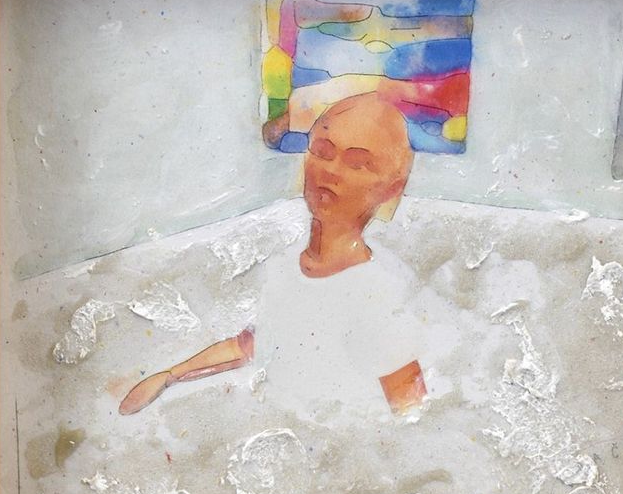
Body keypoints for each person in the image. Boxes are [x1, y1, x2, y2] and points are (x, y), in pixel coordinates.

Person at [119, 93, 428, 416]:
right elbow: (254, 344)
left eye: (357, 163)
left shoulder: (377, 296)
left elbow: (411, 413)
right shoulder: (284, 265)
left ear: (391, 188)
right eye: (322, 152)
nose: (331, 171)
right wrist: (170, 376)